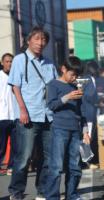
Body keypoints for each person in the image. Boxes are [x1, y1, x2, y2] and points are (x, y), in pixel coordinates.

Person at [8, 26, 58, 200]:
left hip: (48, 115)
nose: (40, 43)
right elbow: (15, 87)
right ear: (29, 41)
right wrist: (22, 110)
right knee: (24, 157)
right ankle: (16, 191)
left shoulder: (49, 63)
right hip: (28, 115)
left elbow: (55, 86)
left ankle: (42, 191)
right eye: (36, 39)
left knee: (47, 157)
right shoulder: (20, 60)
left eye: (43, 39)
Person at [46, 56, 90, 200]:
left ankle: (72, 194)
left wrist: (85, 131)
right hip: (59, 129)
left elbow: (81, 111)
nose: (74, 78)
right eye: (72, 74)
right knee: (56, 166)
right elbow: (51, 105)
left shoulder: (76, 86)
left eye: (77, 75)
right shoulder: (53, 85)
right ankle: (52, 196)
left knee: (75, 166)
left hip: (76, 130)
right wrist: (67, 97)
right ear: (63, 69)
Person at [0, 53, 16, 176]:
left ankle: (11, 166)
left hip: (15, 116)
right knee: (2, 145)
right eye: (7, 61)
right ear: (2, 62)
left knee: (16, 144)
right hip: (2, 115)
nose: (9, 63)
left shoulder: (16, 76)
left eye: (11, 61)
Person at [82, 61, 100, 166]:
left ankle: (85, 160)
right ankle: (85, 160)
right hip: (89, 112)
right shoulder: (90, 79)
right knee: (88, 137)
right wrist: (97, 98)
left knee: (85, 136)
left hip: (84, 111)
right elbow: (90, 95)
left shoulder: (83, 78)